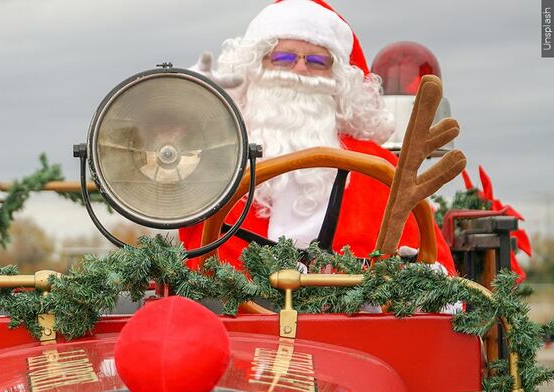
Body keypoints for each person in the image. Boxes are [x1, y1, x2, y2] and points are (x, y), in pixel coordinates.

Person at [179, 0, 455, 273]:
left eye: (317, 61)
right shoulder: (214, 161)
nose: (300, 69)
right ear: (253, 68)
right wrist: (185, 113)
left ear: (339, 80)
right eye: (283, 58)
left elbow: (436, 276)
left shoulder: (378, 168)